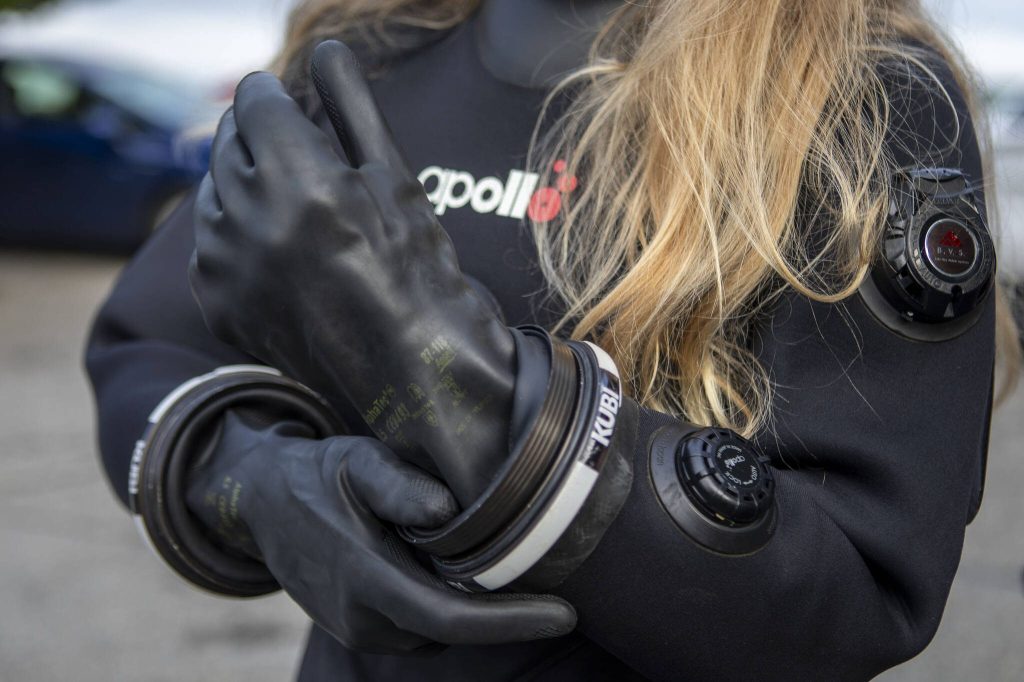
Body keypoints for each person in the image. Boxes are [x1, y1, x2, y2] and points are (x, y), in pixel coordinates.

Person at [85, 1, 1021, 680]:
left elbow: (864, 586)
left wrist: (443, 375)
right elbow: (146, 349)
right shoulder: (365, 48)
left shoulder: (856, 85)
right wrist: (256, 482)